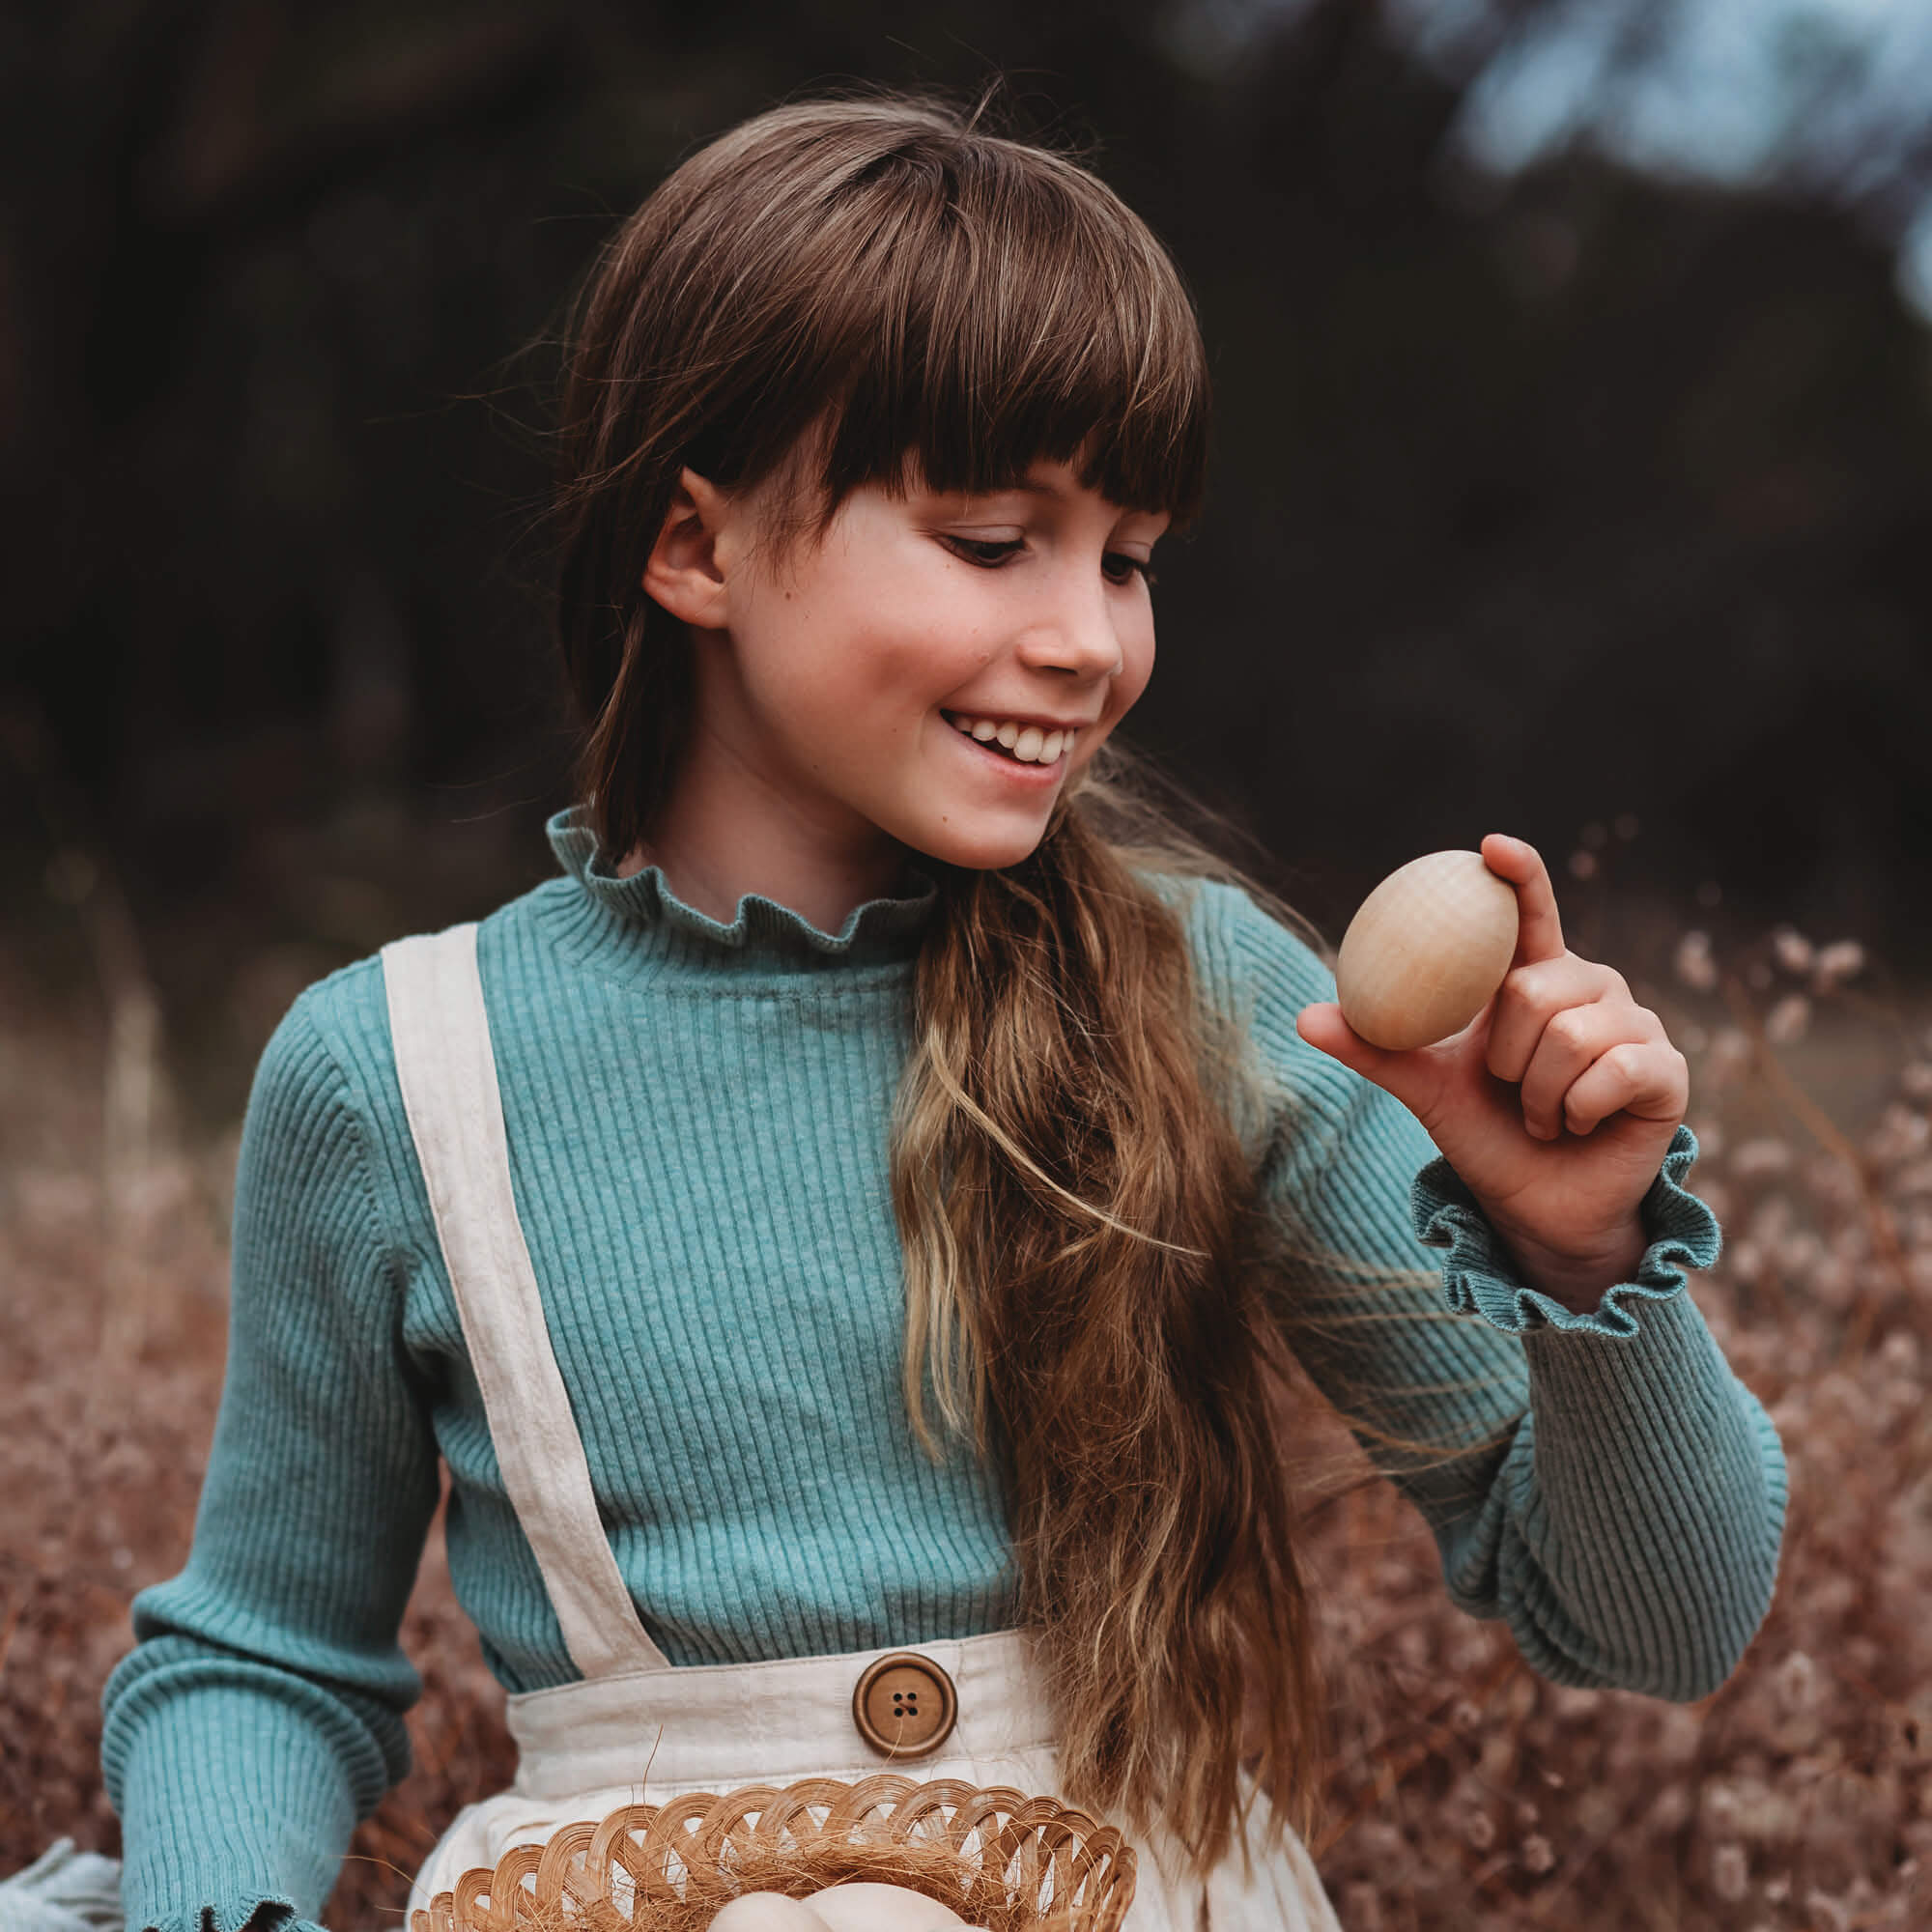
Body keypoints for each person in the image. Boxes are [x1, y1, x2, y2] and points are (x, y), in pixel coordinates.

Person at [95, 90, 1785, 1932]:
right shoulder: (398, 1071)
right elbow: (263, 1656)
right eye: (994, 541)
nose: (1090, 638)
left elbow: (1654, 1622)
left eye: (1128, 556)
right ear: (696, 550)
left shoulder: (1218, 1003)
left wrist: (1587, 1255)